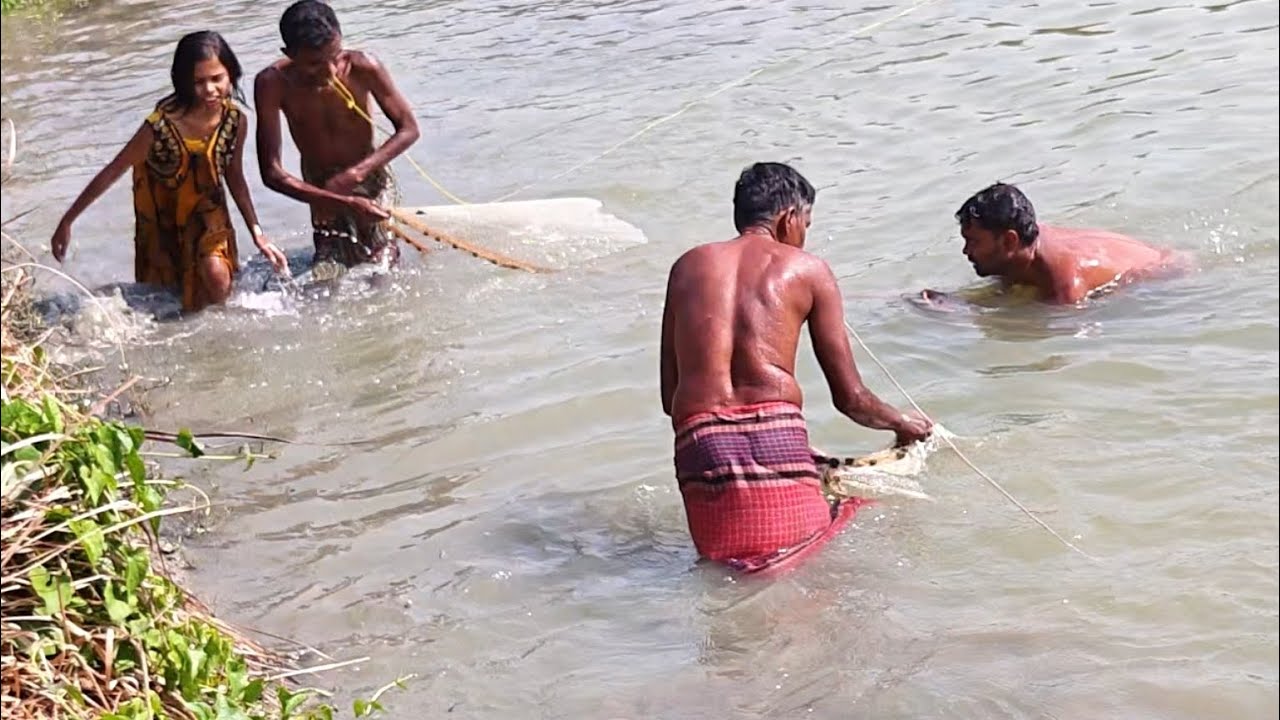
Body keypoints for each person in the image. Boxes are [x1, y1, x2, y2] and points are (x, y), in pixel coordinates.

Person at [659, 162, 933, 574]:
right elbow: (851, 399)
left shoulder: (686, 266)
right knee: (815, 561)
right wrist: (903, 424)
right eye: (806, 223)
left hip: (701, 448)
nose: (804, 235)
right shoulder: (809, 269)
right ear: (789, 218)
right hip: (776, 439)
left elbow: (671, 399)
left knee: (728, 570)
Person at [50, 31, 287, 313]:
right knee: (173, 299)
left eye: (217, 78)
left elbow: (234, 176)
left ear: (231, 75)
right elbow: (114, 170)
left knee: (217, 279)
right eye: (199, 82)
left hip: (210, 214)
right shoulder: (159, 127)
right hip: (164, 219)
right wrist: (67, 221)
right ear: (184, 82)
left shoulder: (235, 120)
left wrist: (257, 233)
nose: (210, 89)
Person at [254, 0, 420, 275]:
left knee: (384, 262)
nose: (330, 70)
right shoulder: (272, 84)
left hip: (370, 174)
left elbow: (409, 129)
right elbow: (271, 173)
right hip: (318, 187)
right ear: (290, 54)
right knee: (327, 269)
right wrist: (329, 199)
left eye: (335, 56)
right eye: (315, 63)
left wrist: (354, 175)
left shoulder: (364, 67)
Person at [952, 182, 1187, 305]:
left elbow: (1056, 328)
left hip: (1168, 274)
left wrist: (964, 313)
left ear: (1009, 241)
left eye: (973, 242)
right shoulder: (1021, 248)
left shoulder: (1066, 284)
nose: (966, 250)